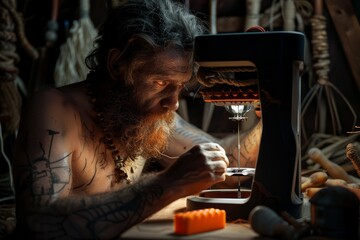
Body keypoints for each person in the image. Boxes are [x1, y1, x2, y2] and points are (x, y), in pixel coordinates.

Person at [12, 0, 261, 238]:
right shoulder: (54, 110)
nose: (173, 103)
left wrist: (270, 117)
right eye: (161, 82)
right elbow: (39, 226)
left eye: (180, 86)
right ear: (117, 65)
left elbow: (230, 163)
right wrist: (169, 183)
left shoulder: (152, 118)